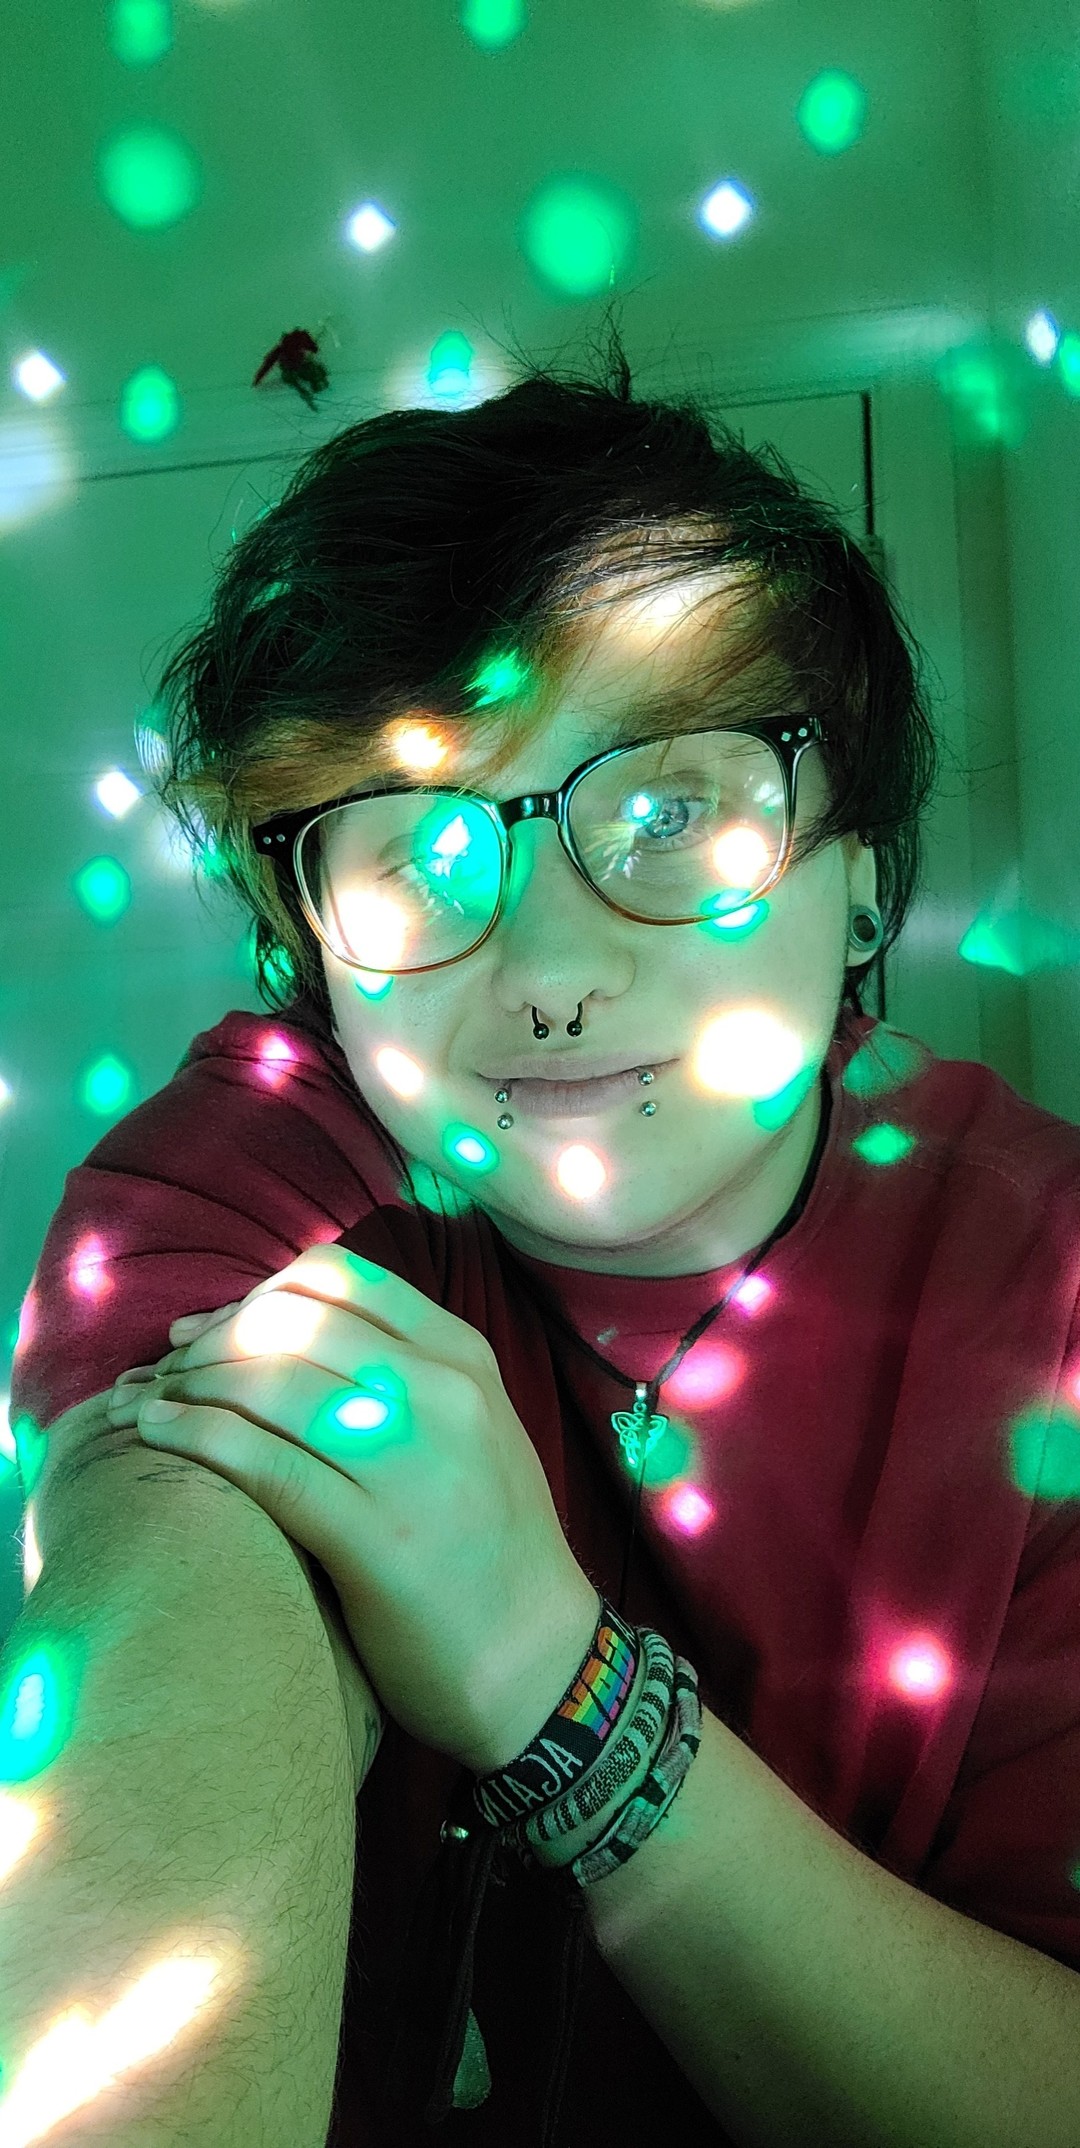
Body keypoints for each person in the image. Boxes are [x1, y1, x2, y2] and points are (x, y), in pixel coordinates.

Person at [13, 323, 1080, 2145]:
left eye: (672, 809)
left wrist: (551, 1687)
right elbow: (159, 1577)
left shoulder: (1044, 1292)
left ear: (861, 875)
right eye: (414, 844)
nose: (550, 971)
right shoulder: (272, 1158)